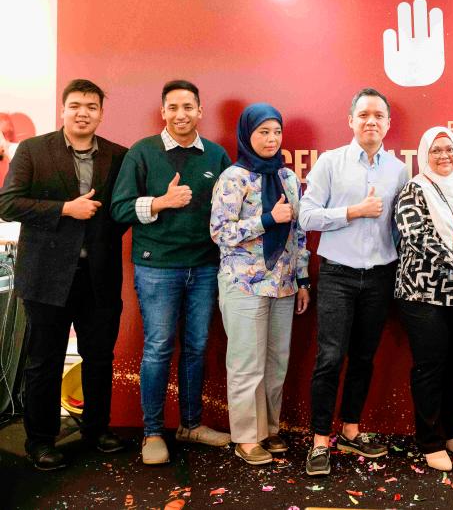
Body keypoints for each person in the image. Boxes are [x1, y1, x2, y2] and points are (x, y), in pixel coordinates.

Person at [0, 79, 128, 470]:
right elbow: (7, 204)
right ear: (63, 109)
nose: (83, 112)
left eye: (91, 106)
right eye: (75, 105)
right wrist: (63, 211)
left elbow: (119, 212)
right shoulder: (34, 150)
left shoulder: (119, 155)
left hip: (99, 275)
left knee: (99, 357)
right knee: (44, 360)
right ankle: (40, 441)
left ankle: (96, 429)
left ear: (102, 113)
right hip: (46, 274)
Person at [111, 80, 232, 465]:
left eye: (188, 107)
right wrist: (162, 202)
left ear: (200, 111)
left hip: (204, 266)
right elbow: (119, 209)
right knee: (159, 348)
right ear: (163, 112)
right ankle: (152, 432)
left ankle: (191, 424)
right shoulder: (142, 153)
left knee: (197, 348)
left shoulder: (216, 156)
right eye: (173, 107)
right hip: (157, 266)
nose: (181, 114)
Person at [299, 87, 409, 476]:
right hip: (337, 274)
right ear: (350, 121)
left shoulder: (398, 169)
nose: (371, 121)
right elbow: (306, 216)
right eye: (363, 115)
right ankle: (318, 442)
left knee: (364, 358)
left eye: (378, 115)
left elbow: (403, 226)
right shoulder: (330, 163)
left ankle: (350, 429)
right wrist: (353, 212)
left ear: (388, 124)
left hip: (380, 275)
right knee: (329, 359)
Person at [210, 103, 310, 465]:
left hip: (283, 285)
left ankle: (269, 428)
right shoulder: (233, 177)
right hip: (244, 284)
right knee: (246, 363)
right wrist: (266, 220)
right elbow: (220, 233)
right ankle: (246, 437)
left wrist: (303, 280)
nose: (271, 139)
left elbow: (298, 233)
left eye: (276, 132)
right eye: (263, 132)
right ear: (247, 135)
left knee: (276, 362)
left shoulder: (287, 178)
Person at [394, 127, 453, 472]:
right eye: (436, 150)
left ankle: (447, 432)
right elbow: (417, 236)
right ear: (424, 153)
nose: (444, 156)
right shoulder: (414, 189)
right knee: (431, 364)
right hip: (422, 290)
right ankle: (429, 442)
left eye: (450, 150)